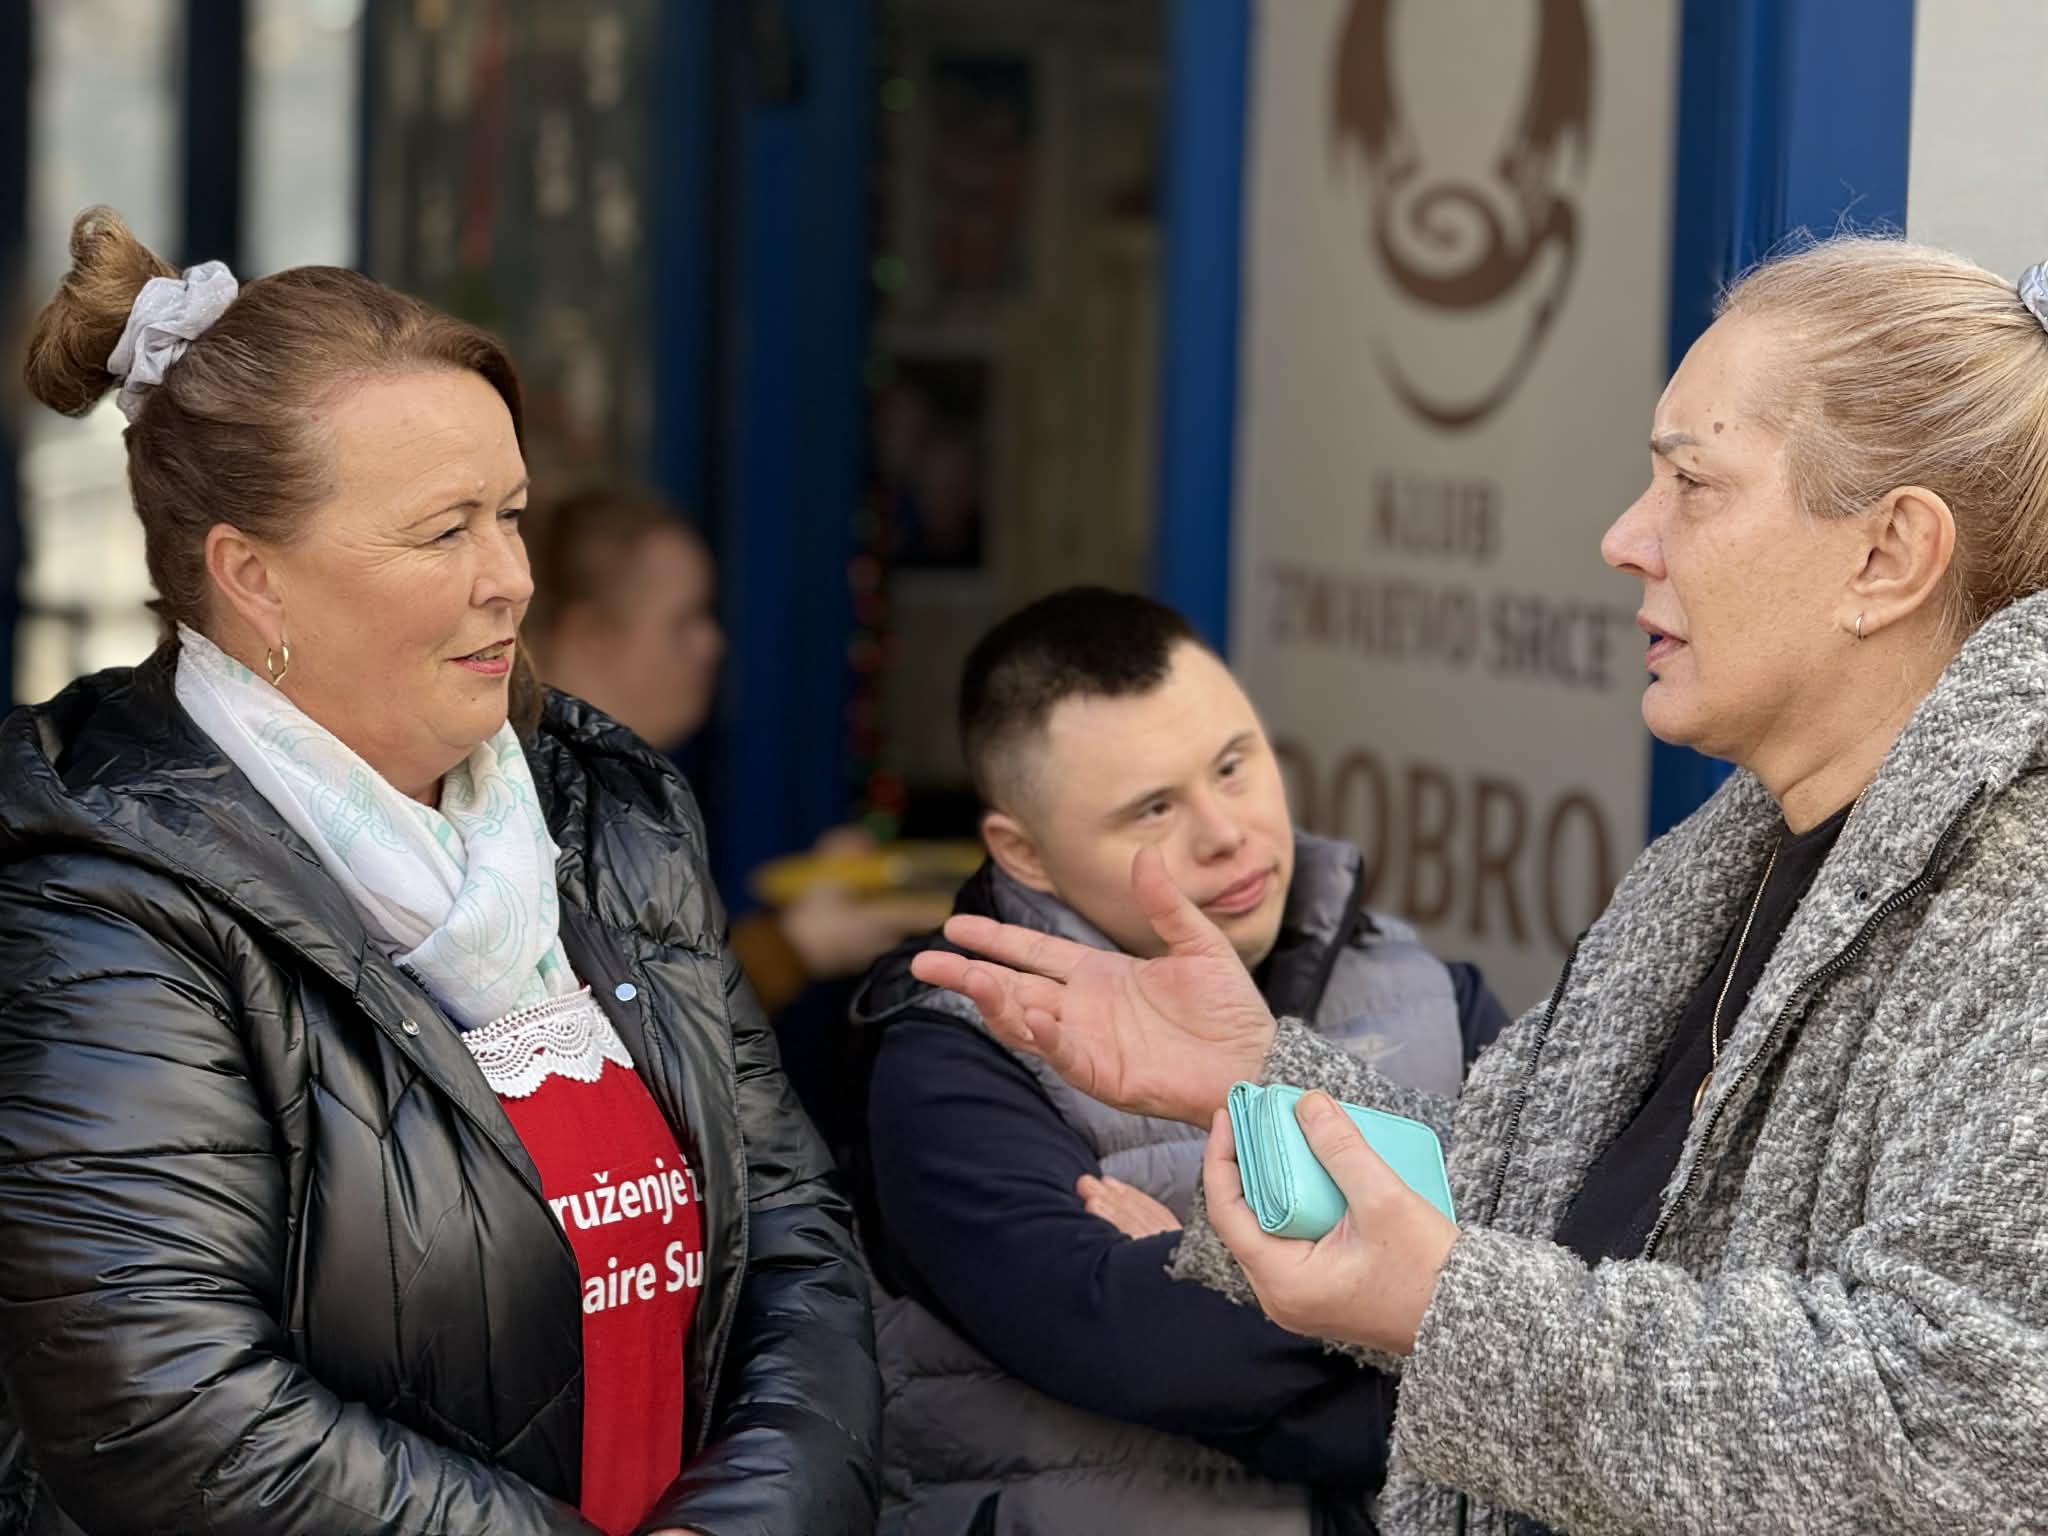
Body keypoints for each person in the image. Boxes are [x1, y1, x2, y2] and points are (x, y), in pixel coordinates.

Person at [912, 236, 2048, 1535]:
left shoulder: (2021, 910)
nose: (1625, 538)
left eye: (1692, 483)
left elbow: (1963, 1435)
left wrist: (1440, 1308)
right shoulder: (1722, 859)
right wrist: (1270, 1083)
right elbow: (1538, 1215)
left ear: (1889, 555)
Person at [0, 207, 878, 1536]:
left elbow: (795, 1243)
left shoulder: (612, 815)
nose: (512, 578)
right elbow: (168, 1402)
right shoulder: (98, 898)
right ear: (252, 577)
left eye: (512, 516)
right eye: (444, 531)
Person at [855, 587, 1509, 1534]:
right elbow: (1149, 1359)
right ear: (1023, 854)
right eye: (1153, 809)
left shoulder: (1431, 994)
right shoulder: (952, 1060)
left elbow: (1564, 1250)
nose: (1226, 832)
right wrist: (1442, 1310)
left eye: (1234, 766)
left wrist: (1190, 1259)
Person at [523, 486, 932, 1017]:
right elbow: (633, 1012)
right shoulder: (543, 806)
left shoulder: (616, 787)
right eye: (685, 620)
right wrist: (795, 944)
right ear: (590, 634)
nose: (711, 643)